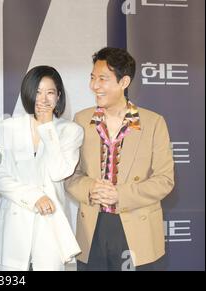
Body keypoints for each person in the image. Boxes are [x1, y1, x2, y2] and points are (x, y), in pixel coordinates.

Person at [65, 47, 175, 271]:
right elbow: (71, 175)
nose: (94, 86)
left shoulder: (153, 123)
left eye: (103, 79)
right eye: (93, 78)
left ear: (124, 82)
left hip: (137, 227)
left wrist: (119, 194)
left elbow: (164, 180)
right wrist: (91, 188)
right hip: (92, 227)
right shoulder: (82, 119)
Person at [0, 65, 83, 271]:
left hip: (50, 223)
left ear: (59, 96)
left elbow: (59, 172)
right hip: (14, 222)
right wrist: (34, 197)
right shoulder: (8, 127)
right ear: (28, 93)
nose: (43, 99)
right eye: (37, 92)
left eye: (50, 92)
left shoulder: (70, 131)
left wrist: (48, 128)